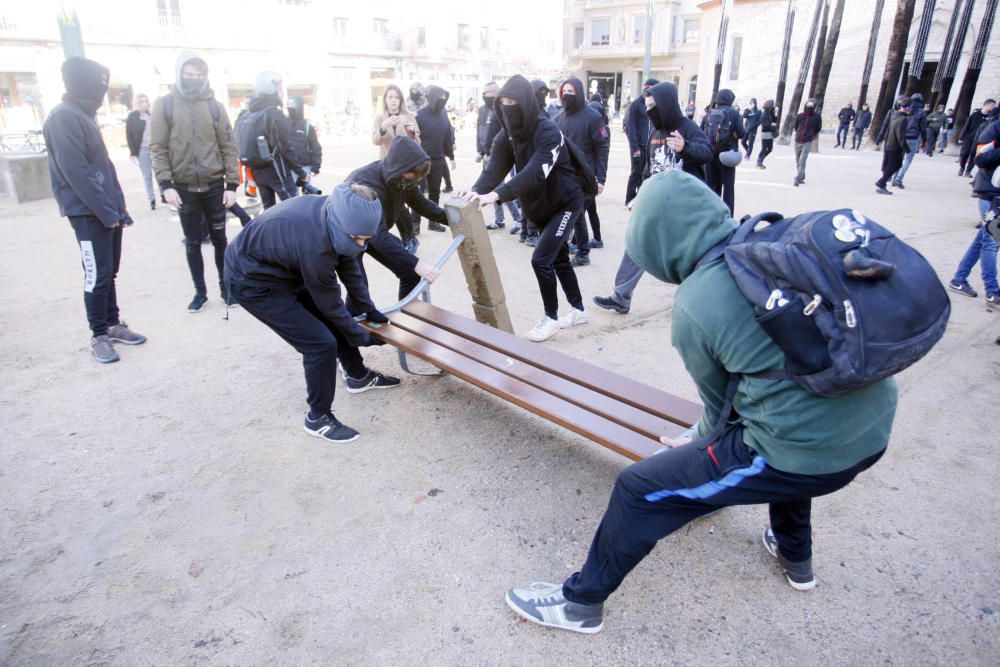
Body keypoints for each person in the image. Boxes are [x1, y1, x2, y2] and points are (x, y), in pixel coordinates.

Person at [505, 168, 898, 634]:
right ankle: (796, 557)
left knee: (639, 490)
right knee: (790, 430)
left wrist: (690, 449)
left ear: (658, 243)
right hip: (873, 428)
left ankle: (580, 604)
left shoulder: (698, 298)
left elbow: (718, 416)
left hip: (813, 452)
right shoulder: (770, 243)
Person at [225, 183, 399, 443]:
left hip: (286, 267)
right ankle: (318, 418)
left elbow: (350, 266)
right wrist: (361, 336)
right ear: (343, 228)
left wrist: (366, 306)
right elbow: (330, 304)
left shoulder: (336, 217)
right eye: (357, 239)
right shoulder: (315, 245)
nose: (362, 245)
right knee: (319, 343)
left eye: (367, 239)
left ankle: (357, 376)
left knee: (332, 322)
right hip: (253, 281)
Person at [464, 74, 589, 342]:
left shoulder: (548, 131)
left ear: (527, 103)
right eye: (503, 102)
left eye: (513, 101)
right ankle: (579, 310)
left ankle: (551, 318)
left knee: (541, 259)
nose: (508, 107)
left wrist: (498, 195)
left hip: (566, 202)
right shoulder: (508, 136)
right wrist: (475, 191)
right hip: (541, 206)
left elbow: (535, 173)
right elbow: (495, 168)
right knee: (560, 258)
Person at [44, 56, 146, 363]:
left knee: (109, 272)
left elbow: (103, 169)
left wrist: (119, 209)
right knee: (96, 274)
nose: (104, 93)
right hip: (87, 213)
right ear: (84, 84)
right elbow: (76, 172)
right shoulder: (64, 117)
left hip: (105, 211)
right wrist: (106, 211)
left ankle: (113, 323)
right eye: (100, 85)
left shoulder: (82, 114)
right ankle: (98, 334)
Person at [592, 82, 712, 315]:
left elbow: (707, 153)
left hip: (684, 207)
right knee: (637, 243)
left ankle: (703, 300)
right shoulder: (655, 131)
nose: (649, 112)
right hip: (658, 203)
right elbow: (648, 168)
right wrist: (640, 195)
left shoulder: (687, 128)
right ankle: (621, 296)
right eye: (646, 107)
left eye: (653, 106)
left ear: (666, 104)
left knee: (693, 254)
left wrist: (685, 147)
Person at [150, 51, 241, 313]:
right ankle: (199, 292)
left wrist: (232, 186)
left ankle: (226, 289)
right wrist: (165, 184)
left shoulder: (214, 106)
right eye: (189, 74)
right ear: (180, 74)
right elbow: (157, 147)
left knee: (220, 240)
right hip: (183, 188)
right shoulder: (164, 105)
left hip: (214, 186)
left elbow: (228, 147)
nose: (194, 79)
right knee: (192, 243)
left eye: (199, 75)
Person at [345, 136, 448, 302]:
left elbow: (421, 204)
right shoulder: (368, 184)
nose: (413, 183)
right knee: (359, 290)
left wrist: (454, 219)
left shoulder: (403, 180)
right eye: (411, 179)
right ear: (398, 169)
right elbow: (378, 235)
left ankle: (408, 318)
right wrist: (417, 263)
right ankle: (351, 325)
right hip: (349, 234)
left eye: (417, 180)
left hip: (373, 231)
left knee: (409, 272)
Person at [555, 77, 610, 268]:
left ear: (579, 92)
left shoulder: (592, 117)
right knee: (573, 213)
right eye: (564, 91)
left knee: (575, 212)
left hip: (586, 176)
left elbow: (602, 148)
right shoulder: (560, 118)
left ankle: (582, 251)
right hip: (564, 175)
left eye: (571, 91)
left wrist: (600, 178)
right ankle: (578, 249)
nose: (567, 94)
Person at [948, 118, 1000, 304]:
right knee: (992, 243)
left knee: (983, 239)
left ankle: (959, 279)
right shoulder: (994, 128)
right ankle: (993, 291)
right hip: (992, 194)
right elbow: (980, 158)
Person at [245, 71, 310, 209]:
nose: (282, 93)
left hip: (258, 171)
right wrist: (301, 172)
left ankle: (271, 231)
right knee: (295, 208)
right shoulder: (274, 114)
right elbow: (286, 148)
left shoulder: (251, 112)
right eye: (280, 89)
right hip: (277, 170)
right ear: (271, 90)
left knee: (269, 210)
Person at [477, 81, 524, 234]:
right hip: (488, 154)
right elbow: (482, 132)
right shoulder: (485, 110)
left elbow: (506, 135)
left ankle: (518, 218)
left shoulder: (503, 112)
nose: (486, 97)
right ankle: (499, 220)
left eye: (489, 94)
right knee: (491, 188)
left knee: (499, 190)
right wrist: (481, 151)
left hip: (499, 157)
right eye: (484, 94)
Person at [415, 85, 455, 232]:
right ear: (432, 97)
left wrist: (451, 156)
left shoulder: (444, 115)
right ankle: (415, 224)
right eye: (440, 96)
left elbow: (447, 137)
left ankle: (433, 222)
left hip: (438, 160)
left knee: (435, 192)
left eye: (445, 97)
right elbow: (413, 138)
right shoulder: (419, 115)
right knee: (418, 193)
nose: (443, 100)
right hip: (420, 160)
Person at [704, 88, 745, 214]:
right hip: (727, 156)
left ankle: (711, 215)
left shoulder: (710, 113)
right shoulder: (734, 113)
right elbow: (742, 133)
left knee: (711, 188)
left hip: (710, 156)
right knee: (728, 189)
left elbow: (701, 132)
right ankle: (727, 218)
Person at [624, 78, 658, 206]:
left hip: (650, 146)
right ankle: (629, 199)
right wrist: (635, 148)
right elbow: (630, 128)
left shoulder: (655, 104)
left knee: (647, 175)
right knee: (636, 173)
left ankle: (640, 200)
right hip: (638, 146)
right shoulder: (636, 104)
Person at [126, 94, 160, 209]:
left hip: (155, 149)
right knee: (147, 175)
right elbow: (129, 135)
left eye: (145, 101)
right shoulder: (133, 117)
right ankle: (152, 199)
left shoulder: (152, 116)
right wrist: (133, 152)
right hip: (142, 150)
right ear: (137, 103)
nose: (144, 104)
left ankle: (164, 195)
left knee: (160, 173)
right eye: (141, 102)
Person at [586, 92, 611, 249]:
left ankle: (577, 242)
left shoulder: (602, 129)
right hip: (592, 173)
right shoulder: (603, 127)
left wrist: (599, 178)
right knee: (590, 208)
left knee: (580, 210)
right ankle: (597, 239)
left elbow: (601, 156)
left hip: (593, 175)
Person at [875, 96, 912, 195]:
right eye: (909, 108)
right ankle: (881, 183)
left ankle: (882, 182)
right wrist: (907, 148)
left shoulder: (894, 114)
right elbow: (900, 136)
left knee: (891, 165)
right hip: (895, 146)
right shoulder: (903, 119)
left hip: (889, 143)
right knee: (894, 165)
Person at [286, 95, 322, 195]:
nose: (290, 107)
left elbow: (315, 147)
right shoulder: (284, 124)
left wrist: (316, 166)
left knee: (307, 194)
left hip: (305, 167)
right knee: (292, 196)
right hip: (289, 167)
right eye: (288, 104)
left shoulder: (307, 127)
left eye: (292, 104)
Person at [892, 93, 927, 188]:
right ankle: (899, 179)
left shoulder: (906, 109)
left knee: (899, 158)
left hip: (902, 136)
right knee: (908, 159)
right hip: (913, 138)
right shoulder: (921, 112)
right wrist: (924, 140)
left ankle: (893, 178)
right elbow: (923, 128)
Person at [958, 98, 996, 177]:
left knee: (974, 155)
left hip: (980, 140)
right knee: (964, 154)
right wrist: (961, 137)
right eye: (992, 105)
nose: (993, 107)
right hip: (969, 138)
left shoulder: (991, 117)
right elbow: (966, 126)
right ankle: (962, 167)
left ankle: (968, 171)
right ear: (987, 105)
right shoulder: (975, 114)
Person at [792, 98, 821, 187]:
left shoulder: (817, 117)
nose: (809, 108)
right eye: (808, 106)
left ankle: (798, 178)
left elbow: (818, 128)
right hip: (798, 140)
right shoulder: (800, 116)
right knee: (797, 159)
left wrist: (811, 135)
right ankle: (802, 175)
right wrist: (799, 134)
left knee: (802, 160)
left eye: (811, 106)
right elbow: (796, 127)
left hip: (807, 141)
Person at [755, 99, 778, 169]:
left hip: (769, 133)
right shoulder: (764, 114)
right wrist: (772, 126)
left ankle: (761, 161)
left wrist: (776, 114)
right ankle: (759, 162)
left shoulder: (770, 113)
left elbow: (774, 120)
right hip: (765, 133)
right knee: (764, 148)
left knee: (770, 149)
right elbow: (765, 125)